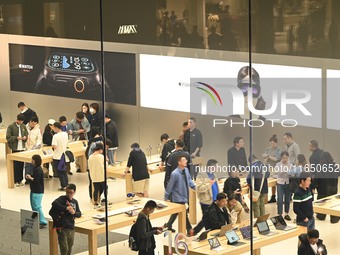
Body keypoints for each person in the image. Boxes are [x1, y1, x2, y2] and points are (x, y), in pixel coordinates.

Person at [164, 156, 195, 234]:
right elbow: (170, 185)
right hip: (177, 197)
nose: (186, 161)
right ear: (179, 162)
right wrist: (166, 196)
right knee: (183, 213)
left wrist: (194, 186)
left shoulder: (186, 170)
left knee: (176, 212)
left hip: (185, 195)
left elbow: (189, 180)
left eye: (186, 160)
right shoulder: (175, 173)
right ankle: (189, 230)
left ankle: (168, 225)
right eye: (184, 160)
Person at [50, 184, 81, 255]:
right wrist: (65, 208)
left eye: (71, 192)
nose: (69, 194)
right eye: (67, 192)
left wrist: (74, 212)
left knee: (70, 245)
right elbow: (54, 203)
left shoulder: (75, 202)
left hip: (71, 226)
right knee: (64, 248)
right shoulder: (62, 199)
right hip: (62, 226)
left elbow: (79, 214)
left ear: (74, 192)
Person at [193, 159, 219, 234]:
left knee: (211, 218)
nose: (217, 169)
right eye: (216, 167)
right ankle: (195, 231)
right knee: (206, 219)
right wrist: (209, 184)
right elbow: (199, 188)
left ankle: (198, 231)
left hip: (215, 200)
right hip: (206, 201)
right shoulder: (201, 175)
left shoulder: (214, 175)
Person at [313, 151, 340, 223]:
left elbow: (317, 178)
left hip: (323, 189)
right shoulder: (334, 166)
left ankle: (321, 215)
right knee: (332, 203)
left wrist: (313, 186)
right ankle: (334, 218)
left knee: (322, 203)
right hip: (333, 188)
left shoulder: (321, 167)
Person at [25, 154, 48, 228]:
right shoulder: (35, 168)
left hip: (37, 191)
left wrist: (30, 177)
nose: (31, 161)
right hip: (34, 190)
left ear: (35, 161)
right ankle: (36, 219)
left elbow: (36, 180)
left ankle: (42, 221)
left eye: (32, 160)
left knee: (37, 206)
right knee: (34, 206)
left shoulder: (38, 170)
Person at [6, 113, 28, 186]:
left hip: (22, 148)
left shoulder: (24, 126)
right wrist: (16, 138)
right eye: (20, 121)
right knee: (16, 165)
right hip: (15, 148)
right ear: (17, 120)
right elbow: (8, 137)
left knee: (21, 164)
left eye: (22, 121)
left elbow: (26, 134)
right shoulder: (11, 126)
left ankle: (20, 180)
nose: (21, 122)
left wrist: (25, 137)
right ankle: (15, 180)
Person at [262, 134, 281, 203]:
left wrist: (268, 156)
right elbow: (264, 157)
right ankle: (272, 196)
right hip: (268, 167)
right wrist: (267, 157)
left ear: (276, 143)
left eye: (273, 144)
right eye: (271, 144)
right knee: (267, 182)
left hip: (276, 168)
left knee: (276, 182)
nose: (272, 145)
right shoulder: (268, 149)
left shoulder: (279, 149)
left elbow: (276, 159)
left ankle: (277, 196)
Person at [275, 151, 293, 221]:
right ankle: (279, 214)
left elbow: (292, 174)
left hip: (287, 183)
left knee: (287, 199)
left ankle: (286, 214)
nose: (285, 159)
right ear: (281, 158)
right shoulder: (278, 164)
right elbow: (276, 173)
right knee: (280, 199)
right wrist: (281, 172)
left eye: (286, 158)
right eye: (283, 158)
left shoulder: (290, 165)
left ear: (288, 158)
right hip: (280, 183)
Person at [52, 122, 69, 191]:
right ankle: (66, 185)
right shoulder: (65, 134)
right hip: (64, 155)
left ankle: (63, 186)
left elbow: (54, 146)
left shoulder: (55, 136)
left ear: (56, 127)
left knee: (59, 172)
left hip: (57, 156)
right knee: (64, 171)